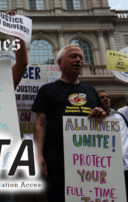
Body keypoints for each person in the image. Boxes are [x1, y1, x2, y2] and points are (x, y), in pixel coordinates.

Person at [31, 44, 107, 202]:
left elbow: (103, 119)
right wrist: (38, 155)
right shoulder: (47, 90)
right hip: (56, 159)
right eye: (73, 56)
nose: (78, 60)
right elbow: (40, 124)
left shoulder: (91, 91)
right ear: (60, 63)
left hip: (88, 160)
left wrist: (101, 114)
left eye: (81, 57)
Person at [98, 90, 128, 199]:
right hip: (110, 169)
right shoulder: (93, 120)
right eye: (102, 98)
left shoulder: (121, 114)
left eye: (107, 97)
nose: (106, 99)